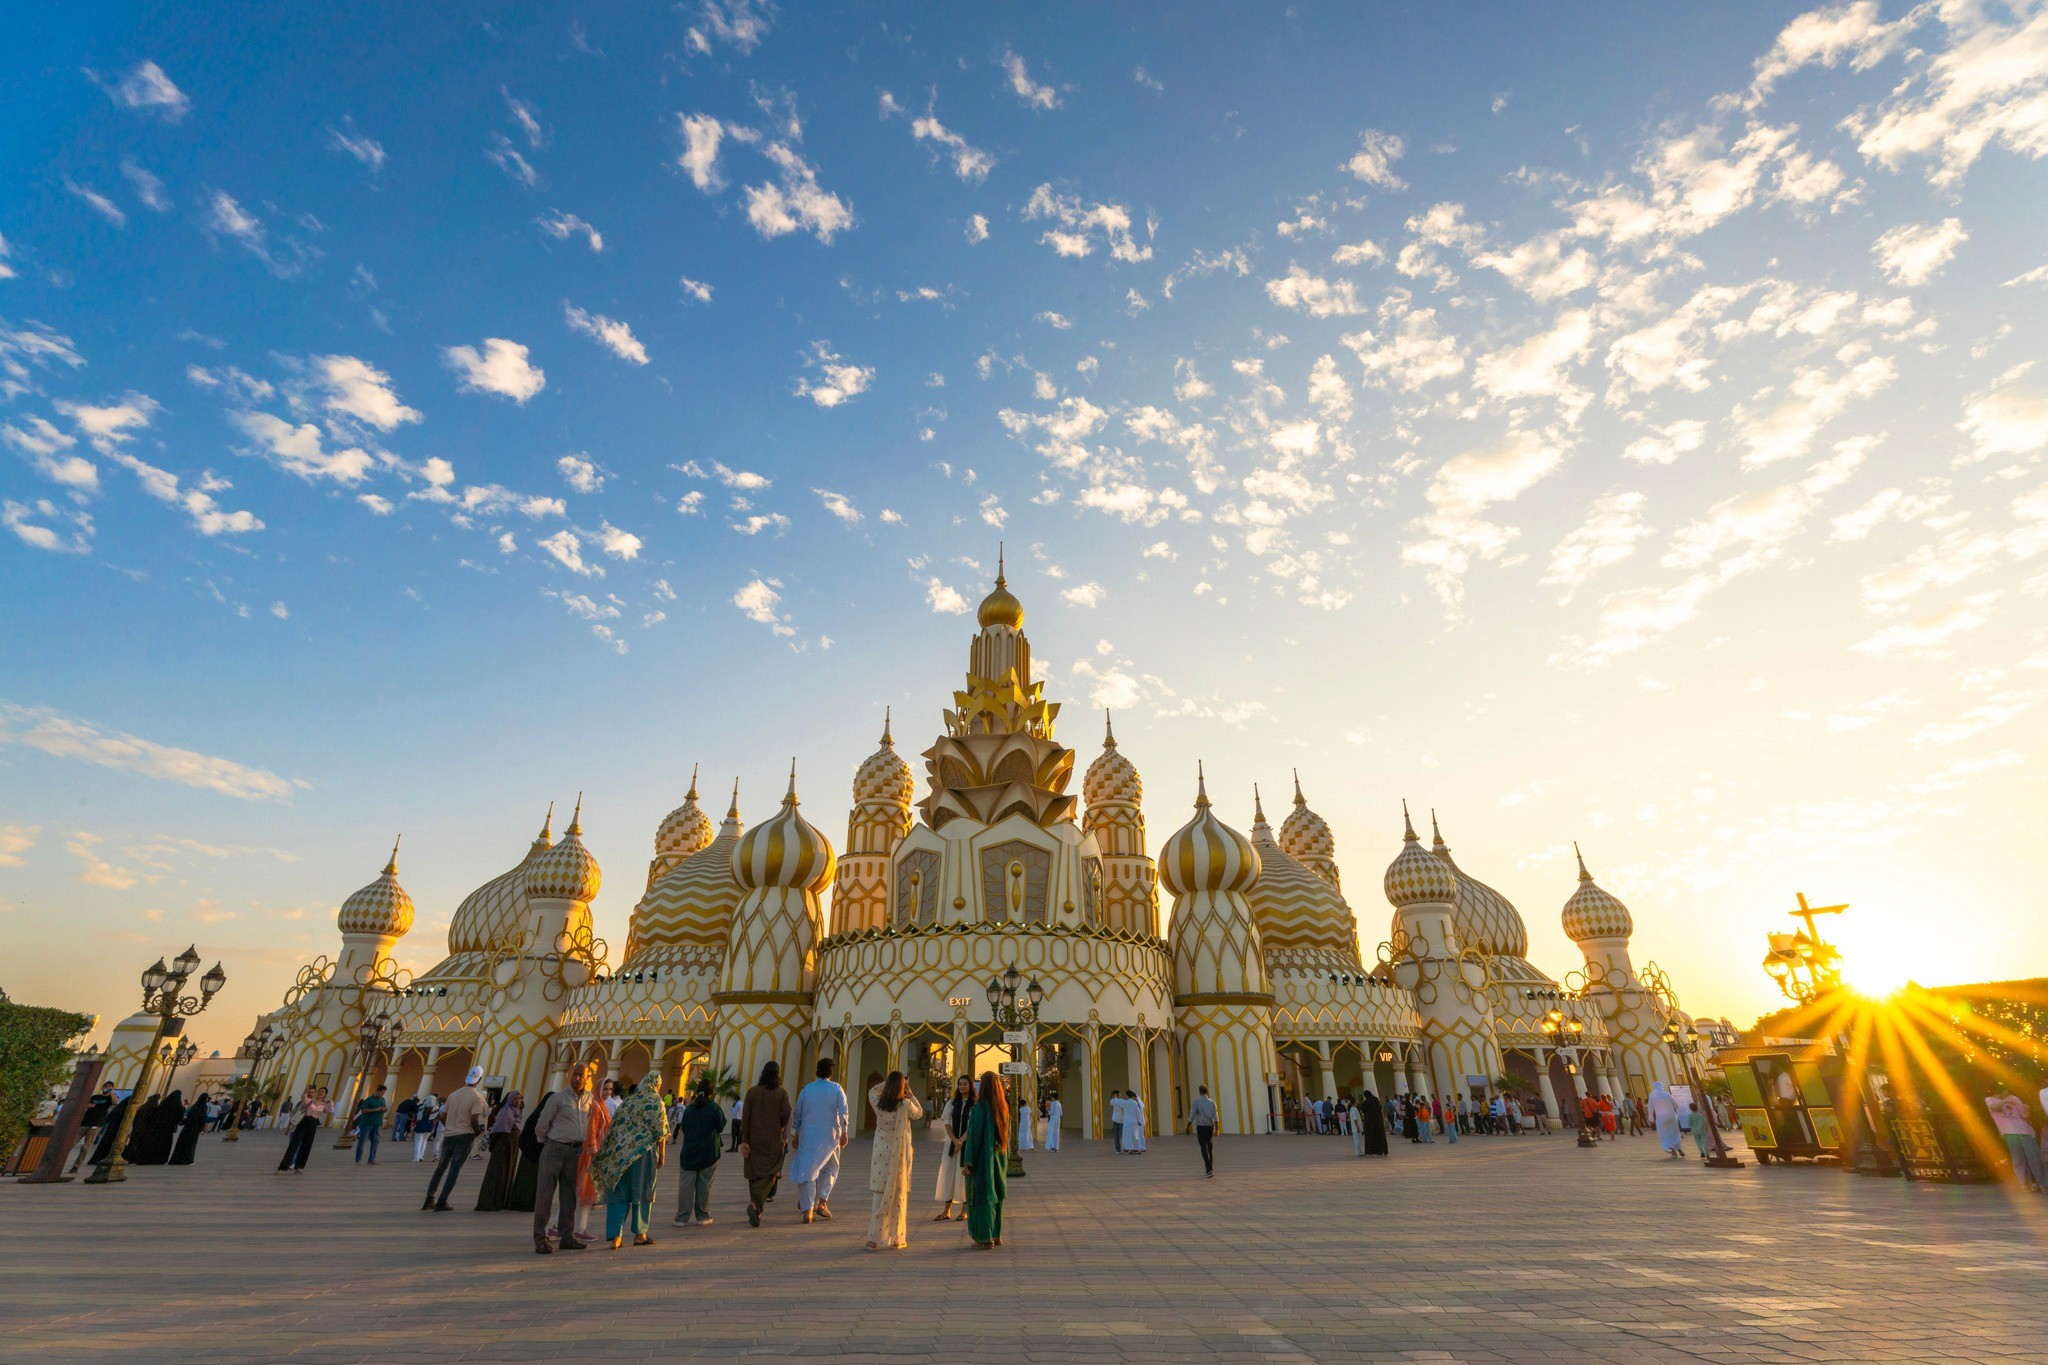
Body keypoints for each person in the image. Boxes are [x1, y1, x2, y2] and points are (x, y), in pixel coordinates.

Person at [593, 1073, 668, 1248]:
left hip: (620, 1154)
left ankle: (615, 1236)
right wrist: (662, 1155)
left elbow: (615, 1126)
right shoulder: (655, 1101)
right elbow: (661, 1130)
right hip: (644, 1153)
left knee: (619, 1193)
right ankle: (640, 1234)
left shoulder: (629, 1101)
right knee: (642, 1191)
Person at [530, 1066, 595, 1254]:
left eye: (581, 1075)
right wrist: (546, 1141)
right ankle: (540, 1239)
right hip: (555, 1148)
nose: (577, 1078)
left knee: (569, 1196)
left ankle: (567, 1236)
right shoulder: (557, 1098)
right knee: (545, 1195)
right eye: (575, 1074)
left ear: (587, 1078)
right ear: (570, 1076)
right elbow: (542, 1123)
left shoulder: (589, 1099)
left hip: (576, 1151)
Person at [864, 1070, 924, 1251]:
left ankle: (874, 1239)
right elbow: (919, 1113)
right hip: (899, 1155)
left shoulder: (879, 1104)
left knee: (879, 1195)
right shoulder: (905, 1104)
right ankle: (897, 1238)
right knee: (898, 1195)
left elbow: (872, 1091)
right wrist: (910, 1092)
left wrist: (890, 1083)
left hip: (881, 1153)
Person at [788, 1057, 850, 1224]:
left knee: (807, 1171)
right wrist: (845, 1132)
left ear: (816, 1070)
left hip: (808, 1135)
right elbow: (844, 1112)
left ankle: (808, 1210)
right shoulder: (836, 1088)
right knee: (830, 1169)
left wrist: (795, 1134)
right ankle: (822, 1202)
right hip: (830, 1137)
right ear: (831, 1072)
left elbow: (798, 1113)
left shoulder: (807, 1089)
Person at [423, 1066, 490, 1211]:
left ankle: (429, 1198)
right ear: (479, 1080)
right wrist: (477, 1132)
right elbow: (474, 1119)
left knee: (440, 1168)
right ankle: (442, 1201)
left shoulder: (453, 1094)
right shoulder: (477, 1097)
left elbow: (442, 1115)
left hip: (449, 1135)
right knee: (454, 1170)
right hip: (464, 1135)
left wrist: (449, 1127)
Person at [739, 1060, 792, 1227]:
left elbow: (745, 1118)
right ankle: (755, 1204)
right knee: (772, 1171)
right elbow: (787, 1114)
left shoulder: (752, 1092)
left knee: (754, 1171)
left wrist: (744, 1140)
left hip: (754, 1138)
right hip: (772, 1139)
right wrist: (781, 1127)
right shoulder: (781, 1093)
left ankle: (757, 1209)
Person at [962, 1071, 1009, 1249]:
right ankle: (996, 1235)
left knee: (981, 1197)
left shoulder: (980, 1107)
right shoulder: (1002, 1107)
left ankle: (985, 1237)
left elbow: (974, 1137)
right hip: (998, 1161)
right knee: (996, 1196)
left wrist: (968, 1162)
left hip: (982, 1161)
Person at [673, 1080, 726, 1226]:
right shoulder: (714, 1108)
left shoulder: (689, 1109)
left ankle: (682, 1217)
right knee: (704, 1185)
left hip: (689, 1152)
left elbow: (683, 1128)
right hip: (709, 1152)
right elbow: (721, 1126)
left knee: (686, 1187)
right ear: (711, 1093)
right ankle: (702, 1216)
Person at [573, 1076, 612, 1243]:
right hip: (591, 1155)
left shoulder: (601, 1106)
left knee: (580, 1191)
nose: (608, 1092)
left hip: (596, 1153)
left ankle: (557, 1226)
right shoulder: (595, 1106)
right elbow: (591, 1130)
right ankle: (579, 1229)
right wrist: (593, 1150)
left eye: (610, 1089)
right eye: (605, 1089)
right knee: (585, 1191)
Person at [1986, 1087, 2045, 1191]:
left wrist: (2027, 1108)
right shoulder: (1990, 1099)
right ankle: (2025, 1184)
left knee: (2034, 1157)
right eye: (2006, 1090)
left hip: (2025, 1131)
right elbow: (1994, 1108)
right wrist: (2005, 1100)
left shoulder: (2014, 1098)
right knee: (2018, 1159)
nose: (2008, 1092)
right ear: (2002, 1090)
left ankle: (2042, 1183)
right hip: (2010, 1133)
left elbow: (2025, 1116)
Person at [932, 1074, 973, 1221]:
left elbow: (972, 1125)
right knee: (949, 1174)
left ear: (970, 1086)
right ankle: (946, 1210)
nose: (962, 1086)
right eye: (960, 1084)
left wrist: (961, 1141)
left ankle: (964, 1210)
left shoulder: (974, 1103)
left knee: (964, 1175)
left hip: (967, 1145)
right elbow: (947, 1122)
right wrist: (955, 1140)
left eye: (965, 1084)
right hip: (952, 1144)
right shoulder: (952, 1103)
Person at [476, 1091, 524, 1211]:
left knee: (508, 1172)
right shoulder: (505, 1112)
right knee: (498, 1173)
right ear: (509, 1100)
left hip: (511, 1148)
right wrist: (494, 1146)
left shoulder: (517, 1113)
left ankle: (503, 1200)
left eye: (519, 1098)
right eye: (515, 1099)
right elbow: (496, 1132)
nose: (518, 1101)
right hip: (502, 1148)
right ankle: (491, 1201)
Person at [509, 1091, 548, 1212]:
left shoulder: (537, 1114)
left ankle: (521, 1201)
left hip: (529, 1152)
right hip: (533, 1152)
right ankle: (526, 1203)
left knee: (525, 1179)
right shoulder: (541, 1116)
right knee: (530, 1179)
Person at [68, 1083, 116, 1173]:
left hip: (96, 1124)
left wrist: (111, 1092)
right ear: (102, 1087)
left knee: (85, 1147)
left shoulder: (110, 1098)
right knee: (70, 1143)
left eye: (109, 1087)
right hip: (84, 1122)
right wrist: (88, 1105)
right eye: (106, 1086)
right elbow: (84, 1104)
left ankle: (76, 1166)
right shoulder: (94, 1097)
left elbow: (115, 1102)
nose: (107, 1088)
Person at [278, 1087, 329, 1172]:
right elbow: (303, 1099)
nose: (320, 1093)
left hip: (313, 1124)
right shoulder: (310, 1101)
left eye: (322, 1092)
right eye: (319, 1091)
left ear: (325, 1095)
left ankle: (298, 1167)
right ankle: (282, 1167)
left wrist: (331, 1102)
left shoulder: (323, 1105)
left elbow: (330, 1110)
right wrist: (306, 1090)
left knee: (306, 1146)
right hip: (304, 1122)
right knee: (294, 1144)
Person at [350, 1085, 389, 1164]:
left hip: (377, 1123)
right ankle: (358, 1159)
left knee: (375, 1141)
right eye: (381, 1092)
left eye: (384, 1093)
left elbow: (382, 1108)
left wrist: (384, 1110)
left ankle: (371, 1159)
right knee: (362, 1141)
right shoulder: (369, 1100)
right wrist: (377, 1109)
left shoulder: (382, 1100)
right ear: (377, 1091)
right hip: (367, 1123)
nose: (382, 1094)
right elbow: (363, 1110)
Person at [1647, 1081, 1684, 1159]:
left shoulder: (1652, 1095)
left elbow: (1650, 1107)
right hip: (1672, 1117)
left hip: (1661, 1118)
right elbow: (1676, 1105)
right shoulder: (1667, 1094)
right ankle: (1679, 1148)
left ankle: (1674, 1152)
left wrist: (1651, 1119)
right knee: (1674, 1132)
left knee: (1665, 1135)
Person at [168, 1092, 207, 1165]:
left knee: (182, 1143)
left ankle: (177, 1159)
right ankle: (188, 1159)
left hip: (187, 1128)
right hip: (194, 1129)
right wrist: (201, 1129)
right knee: (190, 1145)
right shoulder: (203, 1107)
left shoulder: (194, 1106)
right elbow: (202, 1118)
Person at [1189, 1085, 1219, 1177]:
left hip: (1201, 1127)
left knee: (1203, 1148)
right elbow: (1216, 1117)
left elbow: (1193, 1114)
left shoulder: (1196, 1102)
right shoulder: (1212, 1102)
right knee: (1209, 1148)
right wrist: (1217, 1130)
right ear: (1207, 1091)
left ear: (1200, 1091)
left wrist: (1188, 1125)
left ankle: (1208, 1168)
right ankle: (1210, 1168)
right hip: (1209, 1127)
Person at [1360, 1091, 1388, 1156]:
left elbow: (1362, 1109)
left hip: (1370, 1123)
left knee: (1371, 1136)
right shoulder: (1376, 1101)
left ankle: (1371, 1151)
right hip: (1378, 1122)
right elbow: (1380, 1108)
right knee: (1380, 1136)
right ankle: (1382, 1150)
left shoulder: (1366, 1102)